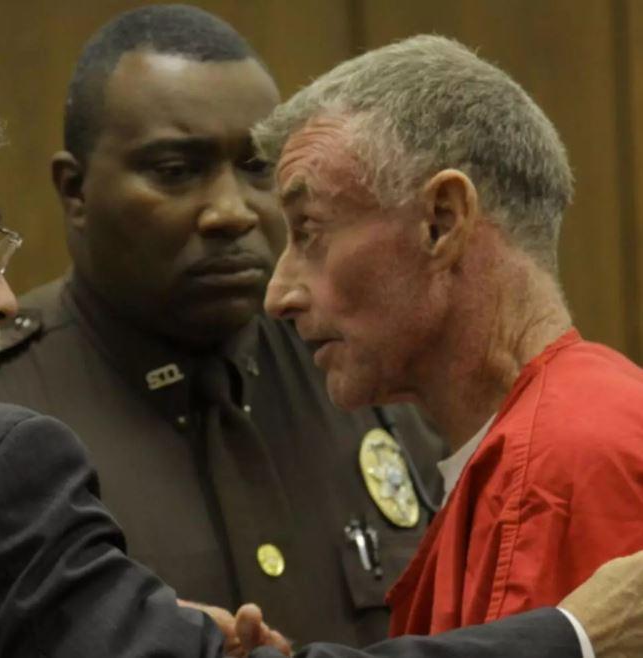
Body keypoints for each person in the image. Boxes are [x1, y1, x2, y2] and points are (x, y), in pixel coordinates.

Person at [0, 30, 642, 658]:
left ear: (444, 222)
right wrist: (570, 639)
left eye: (294, 213)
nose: (253, 244)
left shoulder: (533, 429)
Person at [0, 6, 444, 646]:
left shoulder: (359, 369)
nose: (231, 212)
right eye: (175, 171)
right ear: (76, 191)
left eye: (257, 167)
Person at [257, 34, 643, 641]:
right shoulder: (538, 439)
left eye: (310, 231)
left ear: (441, 222)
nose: (278, 294)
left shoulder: (564, 461)